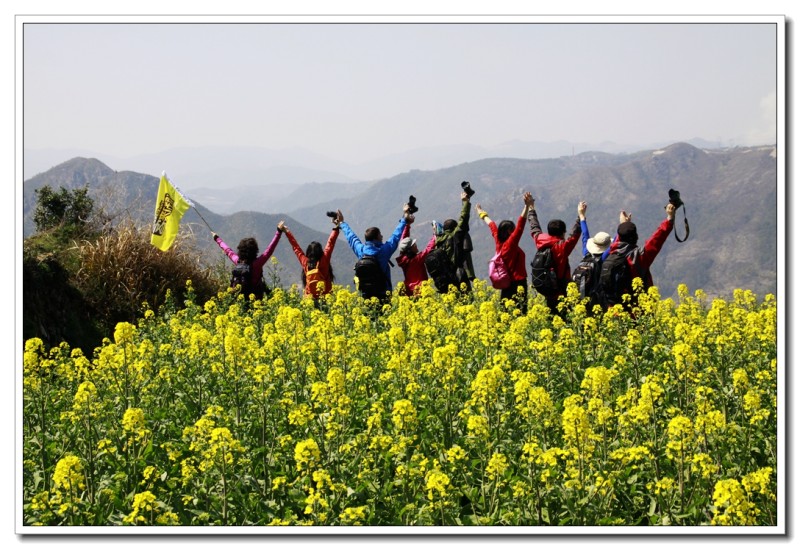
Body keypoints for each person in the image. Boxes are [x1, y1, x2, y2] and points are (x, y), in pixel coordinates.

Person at [601, 204, 676, 308]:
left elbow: (619, 240)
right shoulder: (639, 257)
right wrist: (670, 217)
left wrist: (624, 225)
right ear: (636, 237)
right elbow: (657, 238)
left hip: (614, 311)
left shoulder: (609, 255)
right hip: (637, 311)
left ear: (619, 237)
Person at [337, 205, 410, 302]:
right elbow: (396, 236)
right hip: (383, 295)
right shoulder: (384, 251)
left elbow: (351, 237)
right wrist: (404, 218)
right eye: (380, 235)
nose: (382, 236)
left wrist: (342, 223)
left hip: (365, 296)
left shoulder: (361, 251)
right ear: (376, 238)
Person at [476, 193, 531, 314]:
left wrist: (481, 213)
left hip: (505, 282)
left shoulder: (498, 241)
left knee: (505, 312)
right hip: (518, 283)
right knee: (520, 313)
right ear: (510, 231)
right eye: (513, 230)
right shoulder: (510, 244)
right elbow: (520, 225)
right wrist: (526, 207)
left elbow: (492, 225)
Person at [528, 197, 581, 315]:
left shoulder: (540, 240)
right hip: (560, 289)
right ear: (563, 233)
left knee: (551, 314)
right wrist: (581, 216)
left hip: (547, 288)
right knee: (563, 316)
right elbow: (575, 234)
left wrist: (531, 208)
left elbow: (534, 227)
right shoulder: (562, 246)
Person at [278, 215, 339, 304]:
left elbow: (296, 248)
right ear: (320, 252)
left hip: (309, 300)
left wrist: (287, 232)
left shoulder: (305, 262)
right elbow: (330, 243)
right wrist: (336, 227)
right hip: (326, 299)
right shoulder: (324, 260)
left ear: (308, 252)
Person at [213, 225, 283, 300]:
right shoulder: (257, 264)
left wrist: (216, 238)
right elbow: (269, 250)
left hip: (240, 300)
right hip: (255, 300)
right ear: (255, 250)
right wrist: (278, 231)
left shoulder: (238, 261)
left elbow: (227, 250)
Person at [434, 186, 476, 293]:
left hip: (447, 279)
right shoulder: (454, 236)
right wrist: (465, 202)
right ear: (454, 228)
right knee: (466, 299)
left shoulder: (438, 240)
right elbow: (463, 219)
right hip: (459, 276)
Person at [572, 201, 612, 310]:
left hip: (582, 299)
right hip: (596, 300)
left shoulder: (586, 253)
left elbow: (585, 235)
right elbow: (617, 241)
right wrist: (624, 224)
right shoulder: (603, 258)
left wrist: (581, 215)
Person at [396, 214, 437, 296]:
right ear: (409, 249)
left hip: (409, 291)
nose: (415, 245)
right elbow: (429, 248)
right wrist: (435, 234)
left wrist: (407, 225)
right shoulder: (417, 259)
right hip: (421, 291)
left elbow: (404, 241)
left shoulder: (403, 259)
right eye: (413, 245)